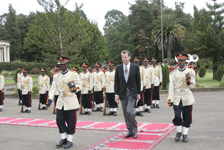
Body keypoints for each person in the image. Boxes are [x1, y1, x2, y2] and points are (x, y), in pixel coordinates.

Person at [47, 56, 81, 149]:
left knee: (71, 121)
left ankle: (69, 139)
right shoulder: (56, 76)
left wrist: (72, 86)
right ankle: (63, 138)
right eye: (60, 65)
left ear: (67, 64)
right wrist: (49, 99)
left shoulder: (73, 74)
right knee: (59, 120)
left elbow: (79, 86)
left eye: (63, 65)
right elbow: (53, 88)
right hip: (61, 101)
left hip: (70, 101)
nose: (62, 67)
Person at [168, 52, 196, 143]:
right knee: (177, 115)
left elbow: (193, 86)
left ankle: (185, 134)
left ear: (185, 61)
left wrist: (188, 80)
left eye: (182, 61)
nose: (180, 62)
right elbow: (171, 87)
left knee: (187, 116)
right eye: (179, 61)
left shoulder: (190, 72)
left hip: (187, 96)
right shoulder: (173, 73)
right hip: (177, 97)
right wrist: (170, 99)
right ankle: (178, 132)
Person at [114, 50, 140, 139]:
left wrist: (138, 93)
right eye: (122, 57)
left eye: (125, 57)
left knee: (130, 111)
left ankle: (134, 130)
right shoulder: (118, 68)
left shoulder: (135, 67)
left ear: (129, 57)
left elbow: (138, 81)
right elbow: (116, 82)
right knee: (125, 113)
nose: (124, 59)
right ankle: (129, 130)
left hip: (132, 92)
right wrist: (116, 94)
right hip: (122, 92)